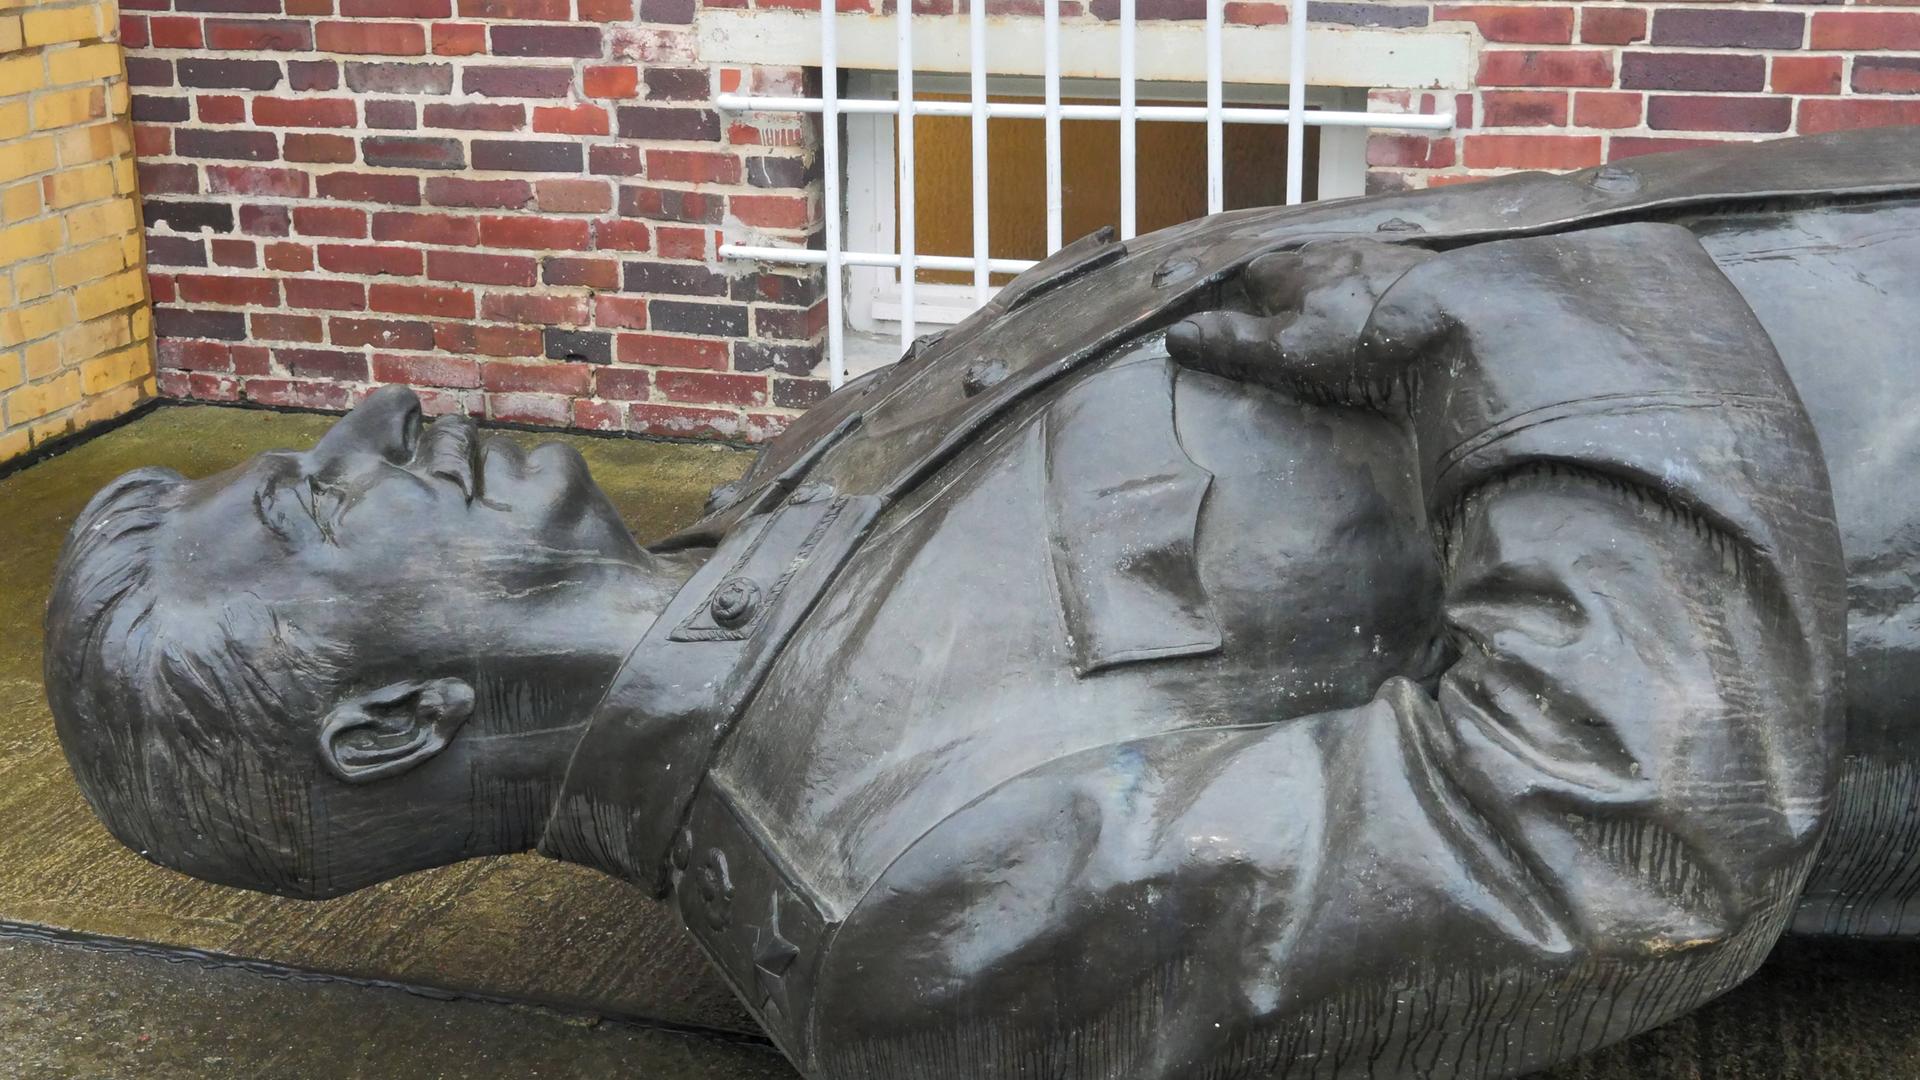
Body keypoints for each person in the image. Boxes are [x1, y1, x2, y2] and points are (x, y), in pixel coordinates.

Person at [44, 127, 1920, 1079]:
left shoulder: (782, 487)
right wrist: (1518, 316)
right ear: (392, 726)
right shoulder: (913, 918)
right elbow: (1616, 837)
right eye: (303, 505)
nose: (368, 412)